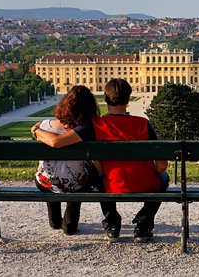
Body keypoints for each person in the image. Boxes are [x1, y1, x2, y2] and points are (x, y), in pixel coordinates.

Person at [33, 78, 169, 243]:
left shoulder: (95, 125)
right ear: (128, 99)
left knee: (98, 177)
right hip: (145, 183)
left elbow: (57, 141)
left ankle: (112, 224)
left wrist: (36, 130)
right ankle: (144, 223)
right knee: (164, 178)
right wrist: (154, 174)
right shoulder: (144, 124)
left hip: (113, 183)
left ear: (105, 98)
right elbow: (162, 164)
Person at [32, 85, 100, 235]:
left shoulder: (43, 126)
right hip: (75, 183)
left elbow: (56, 141)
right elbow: (58, 142)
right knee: (82, 176)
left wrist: (36, 130)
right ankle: (69, 225)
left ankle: (55, 220)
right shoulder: (86, 129)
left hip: (45, 181)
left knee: (52, 174)